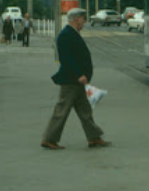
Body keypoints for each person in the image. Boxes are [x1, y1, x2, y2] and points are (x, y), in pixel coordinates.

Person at [41, 9, 110, 150]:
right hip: (72, 80)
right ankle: (49, 139)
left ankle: (94, 137)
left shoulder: (72, 33)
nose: (84, 22)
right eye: (83, 19)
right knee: (62, 110)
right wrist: (80, 74)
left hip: (77, 81)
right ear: (77, 19)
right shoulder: (66, 35)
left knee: (85, 110)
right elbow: (67, 60)